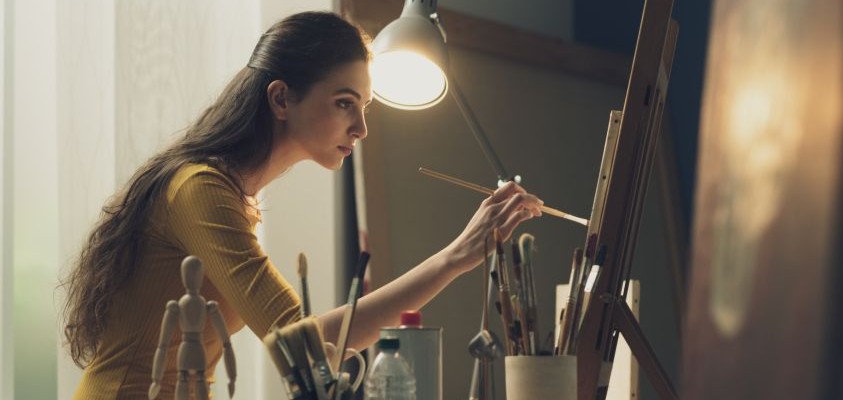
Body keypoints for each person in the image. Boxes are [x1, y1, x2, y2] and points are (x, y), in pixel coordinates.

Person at [61, 11, 543, 399]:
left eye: (364, 107)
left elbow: (308, 347)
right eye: (343, 103)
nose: (361, 128)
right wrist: (454, 257)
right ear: (281, 99)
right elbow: (301, 343)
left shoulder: (232, 196)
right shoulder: (199, 190)